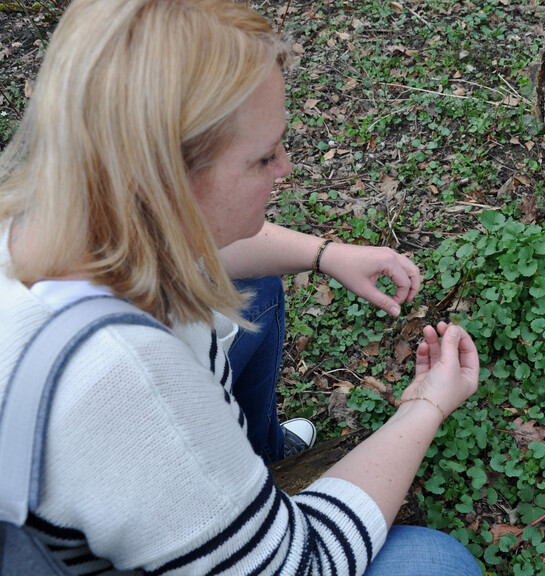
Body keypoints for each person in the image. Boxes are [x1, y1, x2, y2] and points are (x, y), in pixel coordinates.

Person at [0, 0, 483, 575]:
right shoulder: (130, 381)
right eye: (263, 157)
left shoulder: (51, 207)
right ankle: (235, 486)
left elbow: (205, 249)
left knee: (255, 284)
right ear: (164, 182)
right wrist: (424, 405)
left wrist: (327, 255)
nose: (286, 167)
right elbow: (302, 564)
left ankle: (257, 457)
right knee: (435, 562)